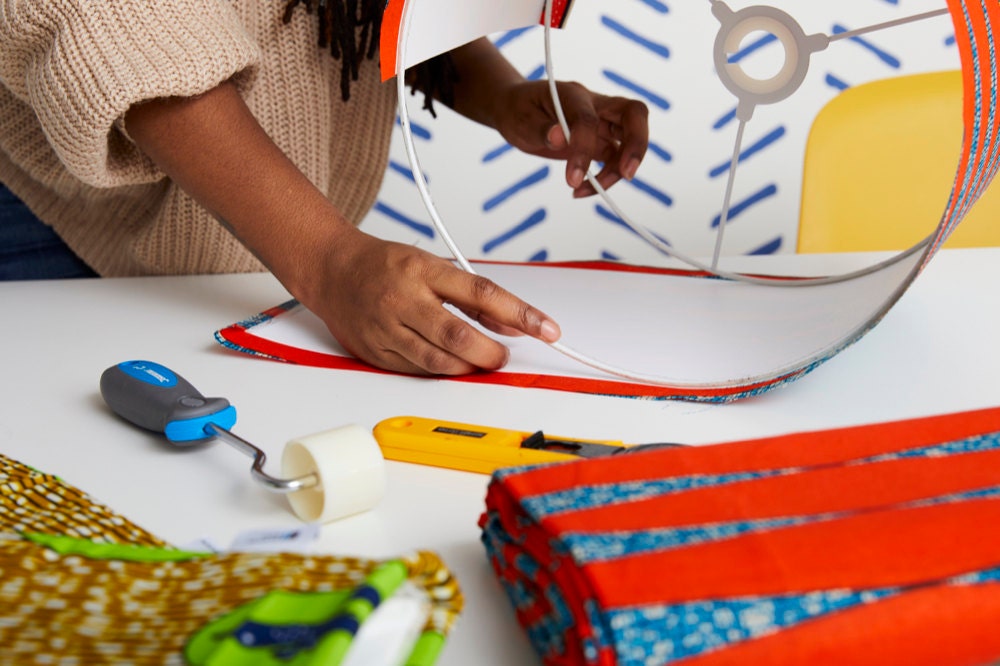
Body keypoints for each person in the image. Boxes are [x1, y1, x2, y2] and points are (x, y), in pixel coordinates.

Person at [0, 1, 649, 376]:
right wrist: (328, 259)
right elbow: (122, 32)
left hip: (266, 261)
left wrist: (502, 94)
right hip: (61, 227)